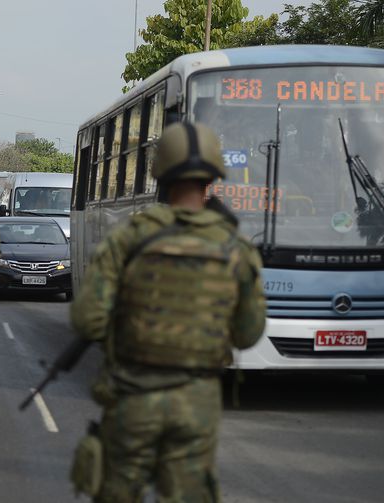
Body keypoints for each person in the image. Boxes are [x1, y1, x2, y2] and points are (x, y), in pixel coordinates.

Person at [69, 123, 266, 503]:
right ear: (213, 176)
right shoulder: (235, 245)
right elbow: (249, 333)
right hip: (197, 401)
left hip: (132, 396)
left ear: (159, 173)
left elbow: (87, 319)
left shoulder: (129, 237)